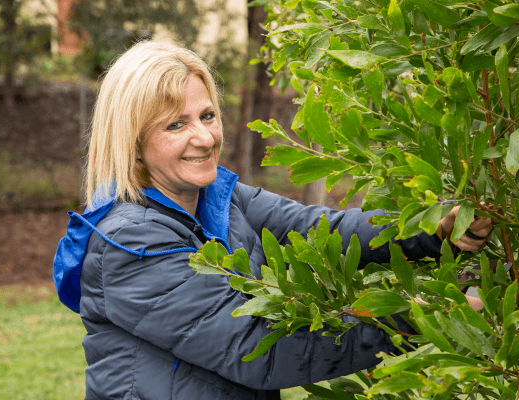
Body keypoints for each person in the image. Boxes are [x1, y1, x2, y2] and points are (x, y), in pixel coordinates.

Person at [53, 40, 493, 400]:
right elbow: (258, 349)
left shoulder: (219, 200)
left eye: (207, 116)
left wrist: (432, 228)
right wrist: (428, 318)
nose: (205, 137)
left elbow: (323, 232)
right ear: (132, 142)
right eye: (176, 126)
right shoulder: (128, 243)